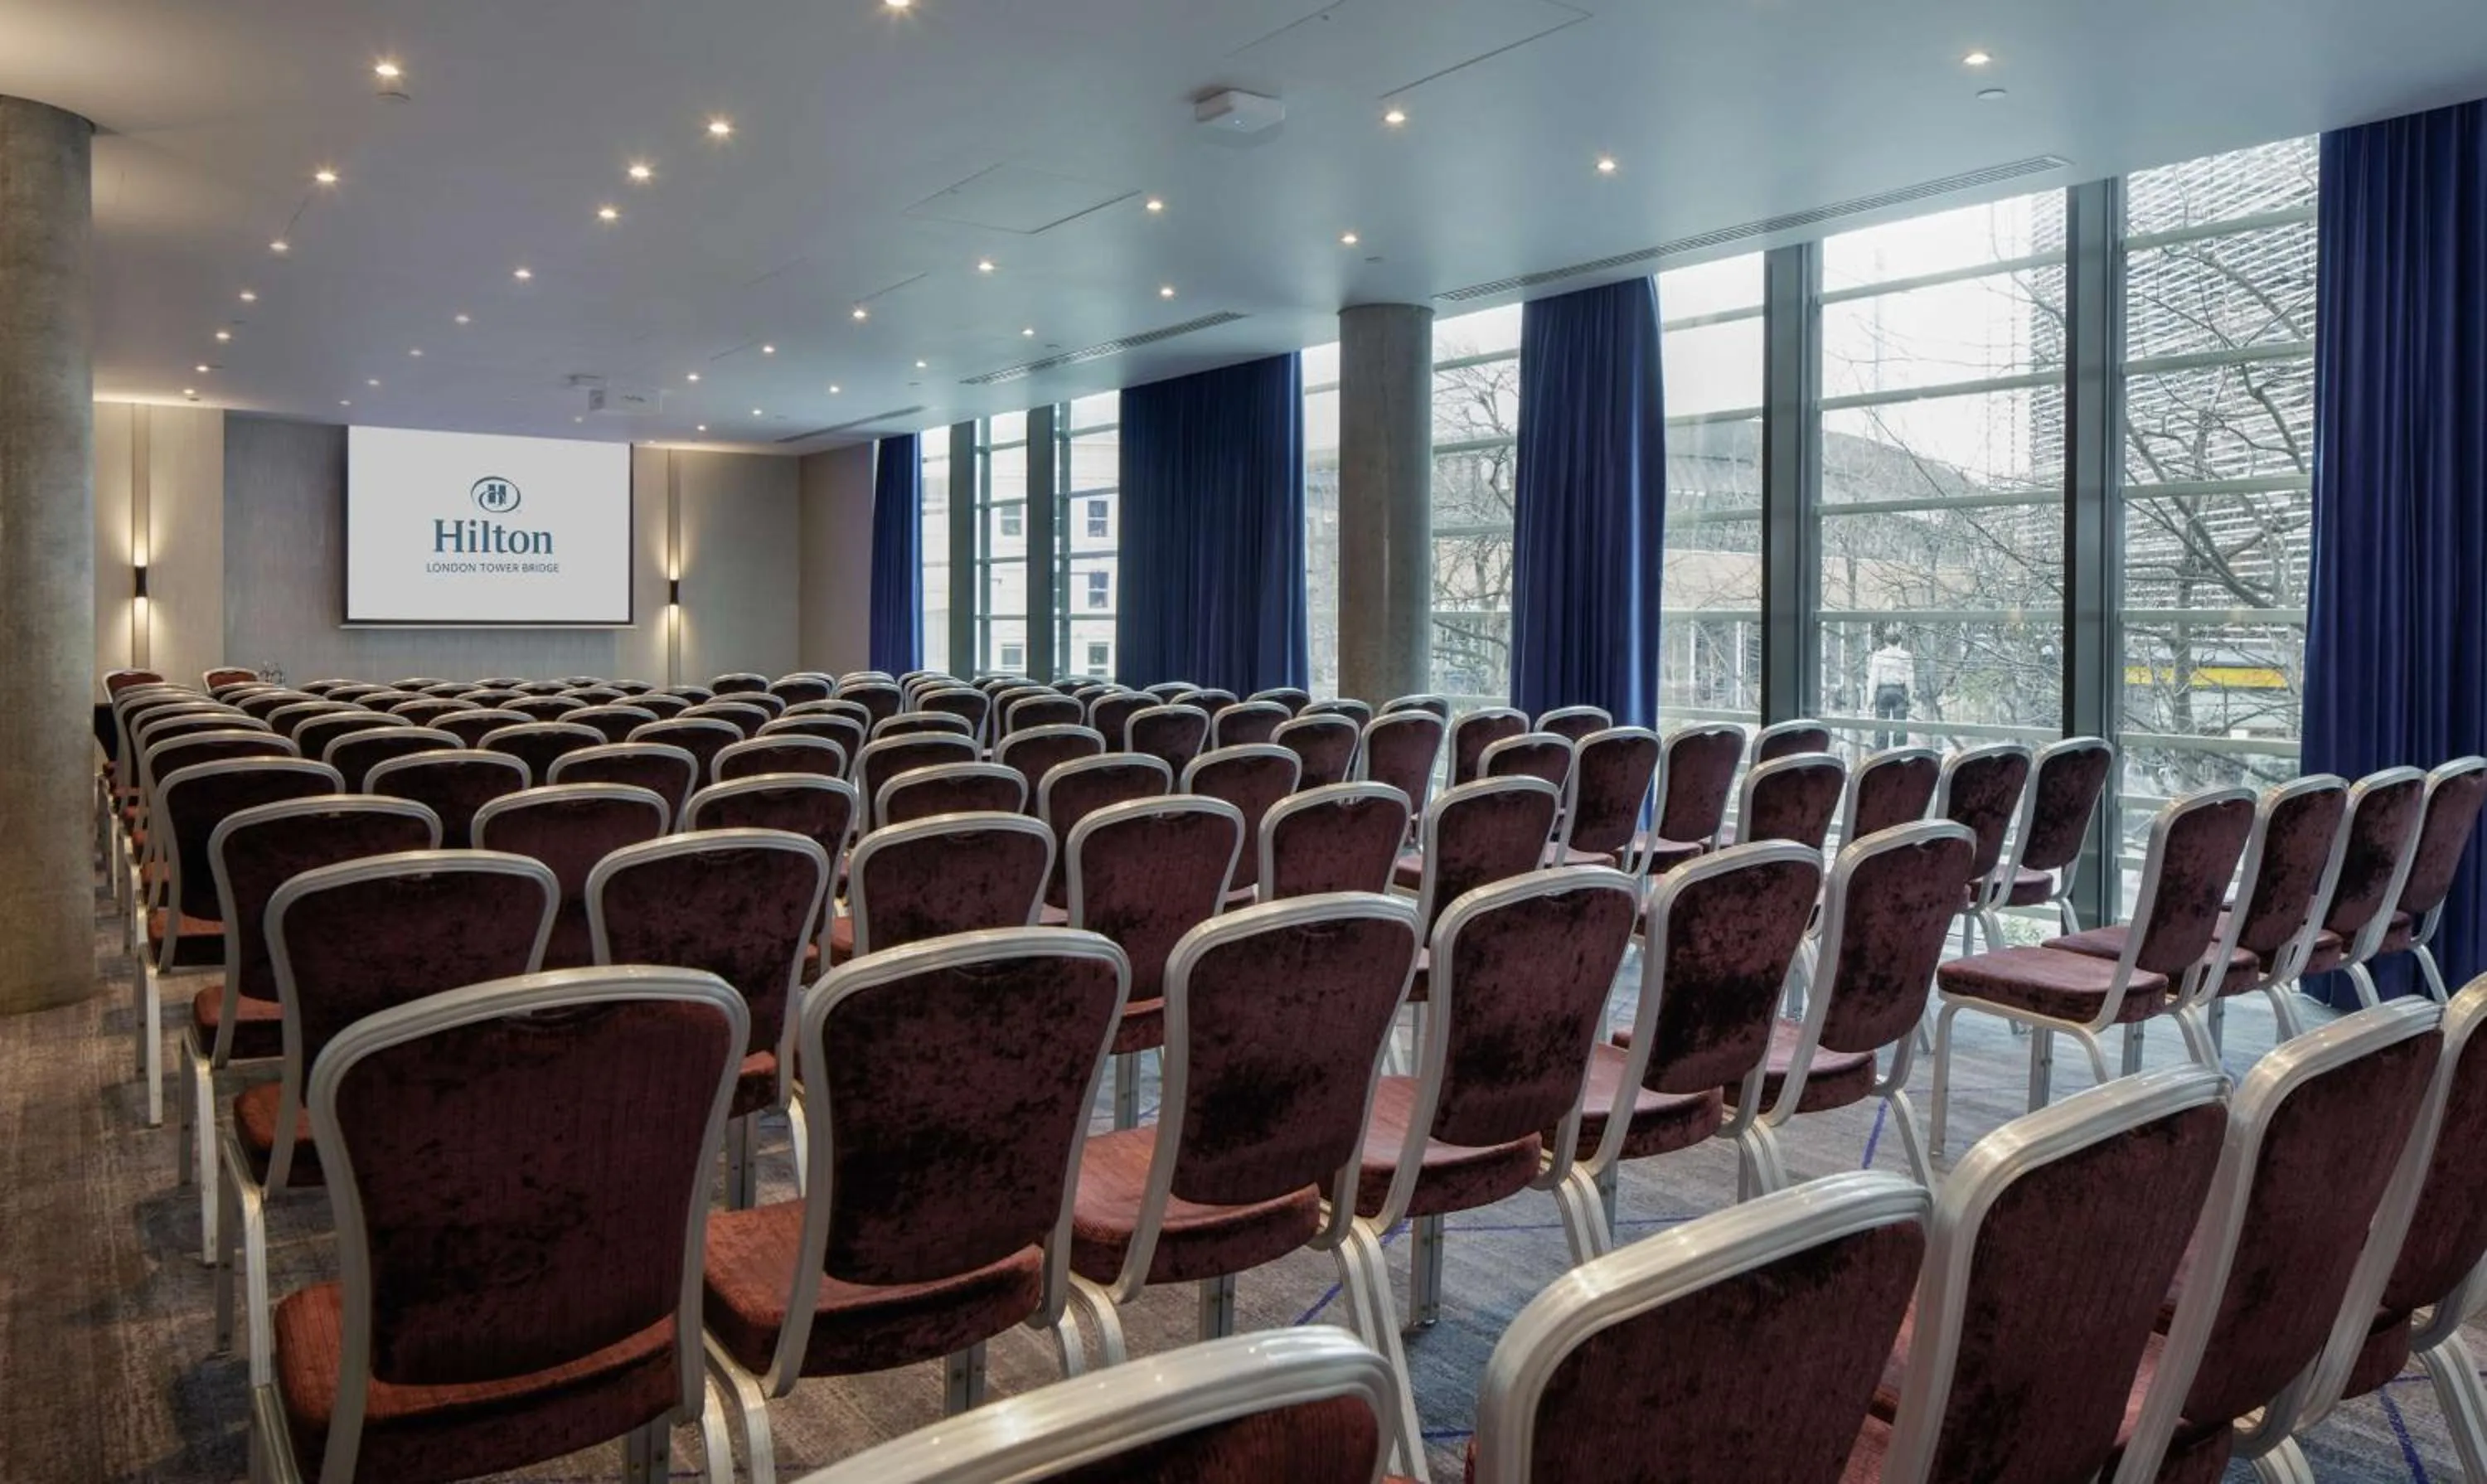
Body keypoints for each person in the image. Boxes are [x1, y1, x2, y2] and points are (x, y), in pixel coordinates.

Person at [1869, 633, 1913, 749]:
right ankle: (1899, 754)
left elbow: (1874, 678)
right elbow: (1909, 677)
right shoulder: (1906, 656)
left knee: (1881, 727)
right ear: (1899, 642)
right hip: (1899, 691)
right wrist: (1911, 696)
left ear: (1886, 642)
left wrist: (1870, 698)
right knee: (1900, 727)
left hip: (1883, 691)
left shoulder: (1879, 656)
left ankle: (1881, 756)